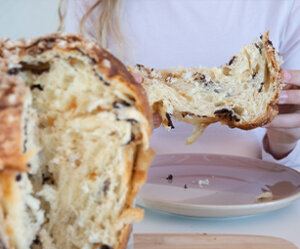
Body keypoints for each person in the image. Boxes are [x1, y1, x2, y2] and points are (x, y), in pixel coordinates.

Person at [62, 0, 300, 169]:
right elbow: (68, 145)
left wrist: (285, 142)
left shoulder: (286, 6)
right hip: (132, 205)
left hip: (257, 208)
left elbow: (289, 173)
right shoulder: (93, 5)